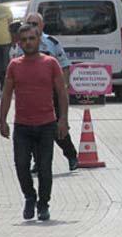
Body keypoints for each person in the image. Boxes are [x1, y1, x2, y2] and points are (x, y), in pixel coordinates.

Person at [0, 24, 68, 221]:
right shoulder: (14, 65)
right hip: (22, 126)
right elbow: (6, 94)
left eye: (32, 38)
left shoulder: (51, 63)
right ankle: (30, 196)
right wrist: (2, 121)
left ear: (39, 40)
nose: (28, 42)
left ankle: (43, 204)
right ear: (19, 43)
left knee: (45, 167)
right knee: (21, 165)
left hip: (47, 124)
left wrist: (62, 119)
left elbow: (62, 93)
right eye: (24, 40)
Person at [12, 12, 79, 172]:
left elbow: (64, 66)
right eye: (30, 23)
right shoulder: (20, 45)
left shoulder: (52, 43)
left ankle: (71, 155)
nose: (32, 27)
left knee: (56, 129)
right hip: (30, 95)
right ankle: (38, 161)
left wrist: (63, 86)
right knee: (32, 128)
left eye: (36, 24)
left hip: (51, 93)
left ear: (42, 26)